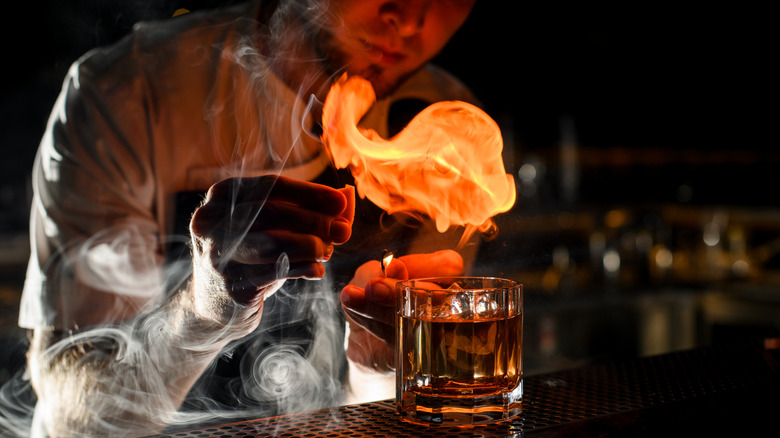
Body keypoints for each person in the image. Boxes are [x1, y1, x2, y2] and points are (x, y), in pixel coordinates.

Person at [18, 0, 480, 436]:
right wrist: (205, 311)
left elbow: (393, 412)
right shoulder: (127, 94)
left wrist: (378, 365)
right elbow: (71, 418)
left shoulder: (443, 133)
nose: (410, 18)